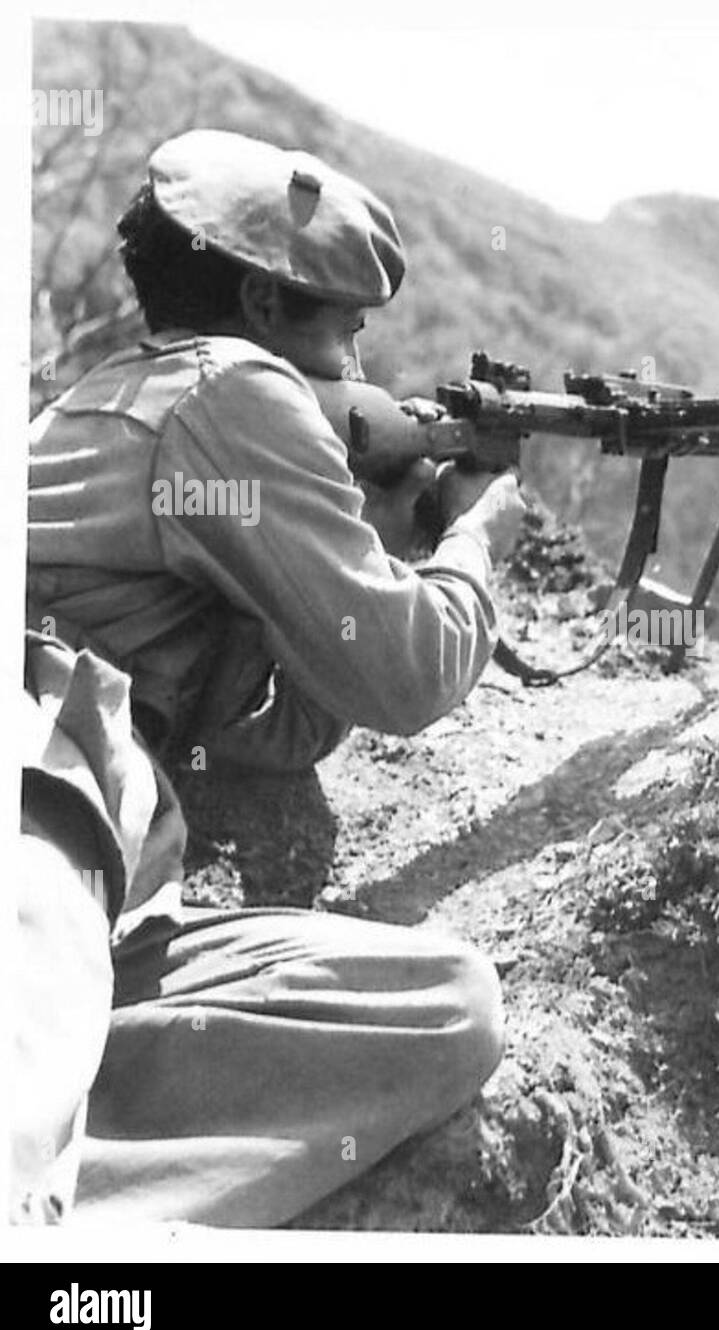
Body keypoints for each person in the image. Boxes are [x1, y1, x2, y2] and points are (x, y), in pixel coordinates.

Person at [16, 128, 524, 1225]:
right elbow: (409, 677)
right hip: (32, 826)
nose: (352, 354)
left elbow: (268, 729)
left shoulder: (108, 396)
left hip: (100, 861)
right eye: (341, 325)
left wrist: (347, 549)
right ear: (258, 308)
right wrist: (476, 545)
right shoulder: (233, 396)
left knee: (447, 1005)